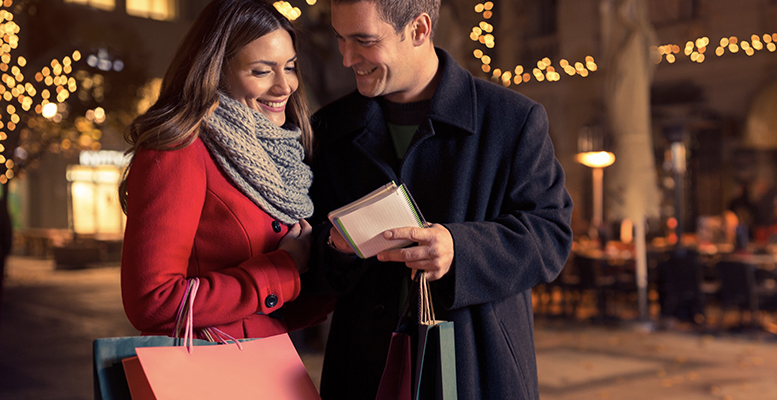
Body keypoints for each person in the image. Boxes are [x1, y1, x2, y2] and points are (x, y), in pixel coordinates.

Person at [306, 0, 573, 398]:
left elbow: (551, 235)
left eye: (364, 40)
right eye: (340, 39)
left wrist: (458, 249)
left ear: (419, 29)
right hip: (362, 371)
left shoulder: (512, 120)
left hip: (477, 369)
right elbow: (309, 250)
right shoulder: (329, 128)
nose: (347, 58)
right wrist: (334, 246)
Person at [119, 0, 331, 340]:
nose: (285, 86)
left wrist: (336, 265)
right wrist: (281, 268)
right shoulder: (179, 148)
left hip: (271, 366)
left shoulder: (280, 154)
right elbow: (151, 303)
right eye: (262, 71)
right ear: (216, 71)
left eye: (289, 67)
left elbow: (271, 310)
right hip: (213, 372)